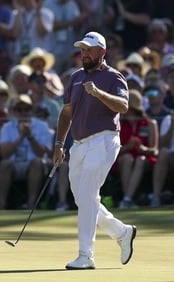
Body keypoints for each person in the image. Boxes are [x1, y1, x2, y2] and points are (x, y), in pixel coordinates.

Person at [52, 31, 136, 270]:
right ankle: (122, 232)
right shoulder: (75, 77)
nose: (85, 53)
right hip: (78, 145)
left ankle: (85, 255)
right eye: (83, 49)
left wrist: (99, 93)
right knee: (83, 199)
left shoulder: (113, 77)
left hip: (104, 140)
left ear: (102, 52)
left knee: (87, 195)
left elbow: (123, 105)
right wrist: (59, 144)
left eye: (89, 49)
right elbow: (67, 112)